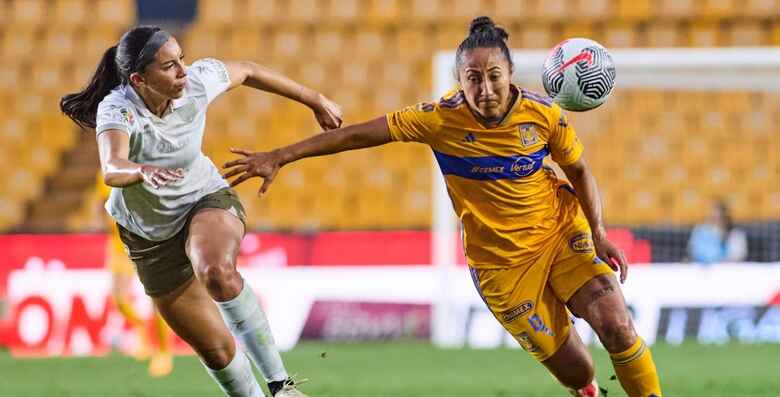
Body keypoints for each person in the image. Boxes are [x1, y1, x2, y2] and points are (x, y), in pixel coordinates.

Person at [223, 17, 663, 397]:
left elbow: (580, 171)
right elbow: (355, 136)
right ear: (459, 79)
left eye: (494, 75)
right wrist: (280, 155)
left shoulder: (543, 115)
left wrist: (600, 232)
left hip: (560, 234)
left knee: (617, 325)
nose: (485, 88)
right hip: (501, 268)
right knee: (580, 370)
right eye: (473, 78)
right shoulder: (438, 118)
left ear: (511, 73)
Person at [60, 26, 342, 397]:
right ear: (139, 79)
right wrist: (141, 170)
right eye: (169, 66)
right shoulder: (118, 108)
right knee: (216, 350)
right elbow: (113, 166)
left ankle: (282, 385)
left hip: (204, 199)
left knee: (215, 270)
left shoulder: (195, 83)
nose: (182, 70)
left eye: (182, 59)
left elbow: (249, 70)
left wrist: (315, 98)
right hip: (147, 237)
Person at [94, 172, 174, 377]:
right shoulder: (106, 170)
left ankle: (164, 352)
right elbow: (102, 203)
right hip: (118, 243)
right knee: (118, 299)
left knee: (157, 299)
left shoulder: (147, 166)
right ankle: (141, 331)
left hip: (147, 240)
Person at [688, 199, 748, 264]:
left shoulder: (736, 235)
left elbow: (738, 256)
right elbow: (694, 253)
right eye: (714, 218)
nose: (718, 222)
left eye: (721, 218)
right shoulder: (700, 232)